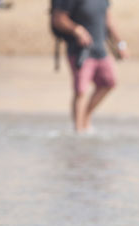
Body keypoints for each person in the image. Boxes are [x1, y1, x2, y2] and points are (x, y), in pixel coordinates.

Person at [51, 0, 129, 133]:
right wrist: (77, 30)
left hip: (100, 50)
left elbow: (108, 20)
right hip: (80, 51)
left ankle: (85, 117)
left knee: (109, 83)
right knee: (81, 90)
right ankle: (78, 129)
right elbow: (58, 19)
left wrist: (121, 44)